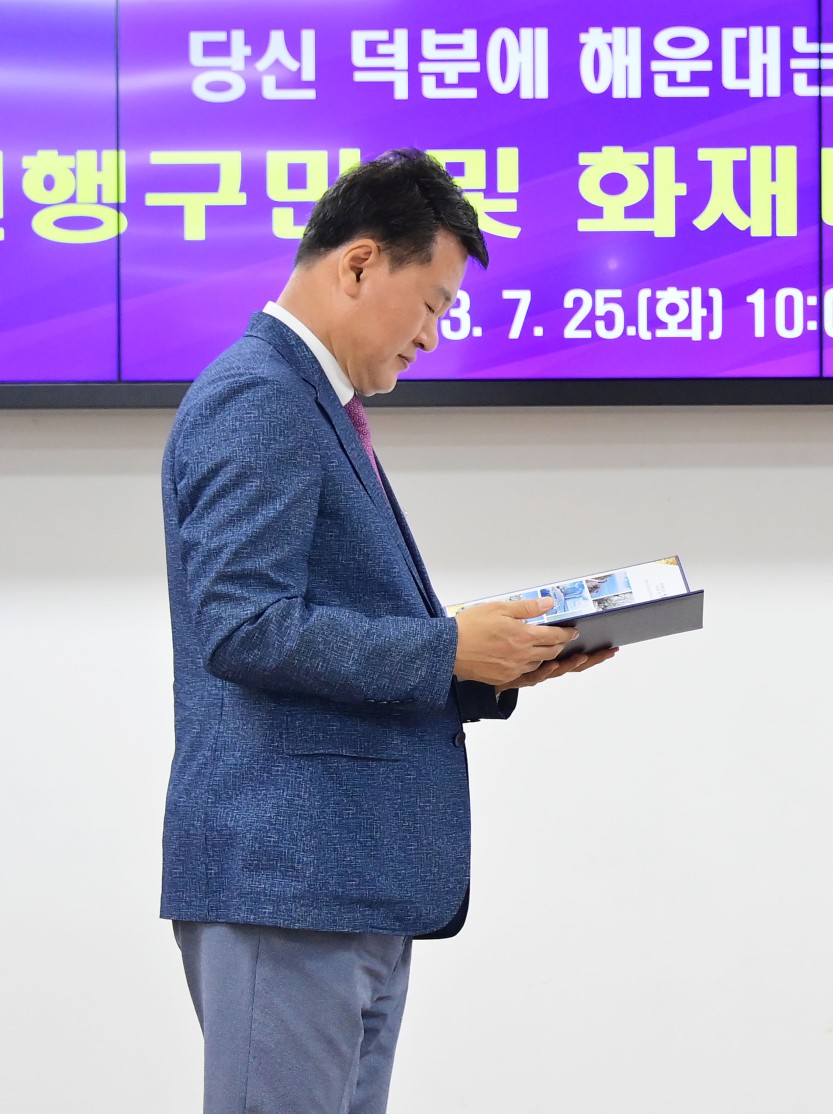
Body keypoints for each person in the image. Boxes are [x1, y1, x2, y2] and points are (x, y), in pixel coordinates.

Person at [160, 148, 614, 1114]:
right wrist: (447, 646)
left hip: (339, 883)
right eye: (434, 304)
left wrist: (489, 665)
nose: (433, 336)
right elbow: (243, 626)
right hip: (287, 879)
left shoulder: (311, 402)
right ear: (361, 263)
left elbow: (306, 624)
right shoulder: (261, 396)